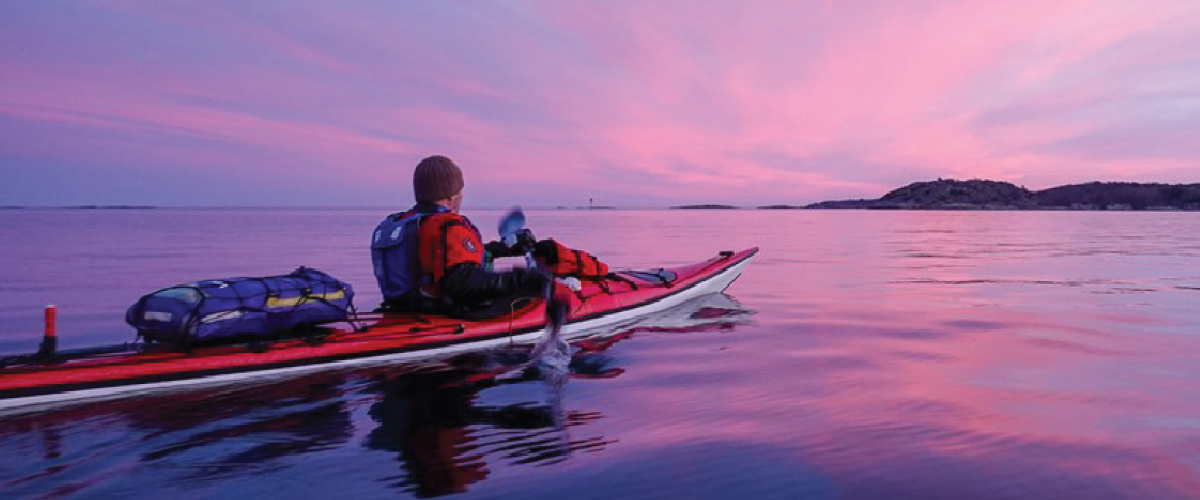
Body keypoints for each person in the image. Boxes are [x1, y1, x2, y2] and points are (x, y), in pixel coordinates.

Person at [371, 155, 551, 315]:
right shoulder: (449, 225)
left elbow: (435, 261)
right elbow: (462, 283)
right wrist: (524, 278)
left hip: (400, 309)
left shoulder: (403, 224)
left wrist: (500, 249)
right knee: (532, 298)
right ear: (452, 197)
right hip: (443, 312)